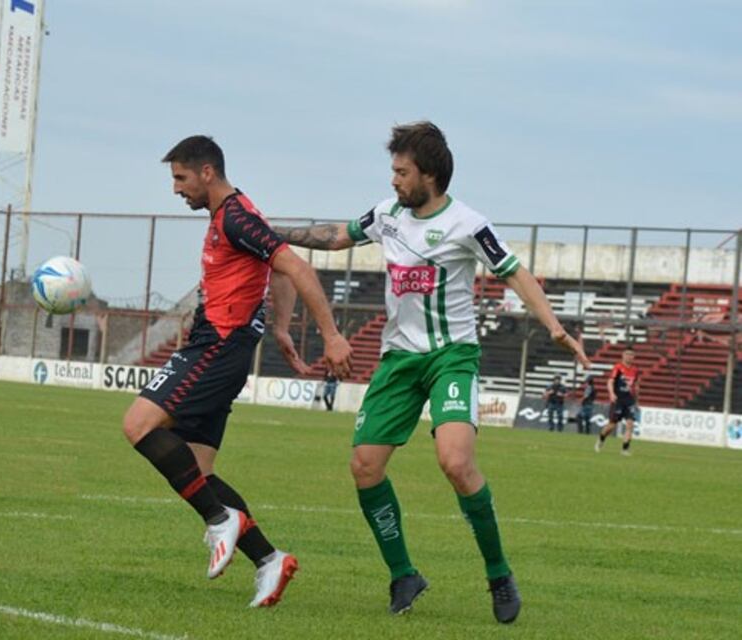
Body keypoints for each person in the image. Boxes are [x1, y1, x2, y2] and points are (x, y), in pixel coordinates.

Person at [271, 121, 590, 623]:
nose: (394, 181)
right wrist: (273, 234)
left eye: (401, 172)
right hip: (398, 360)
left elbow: (515, 271)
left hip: (451, 357)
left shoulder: (467, 224)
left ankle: (499, 574)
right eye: (393, 171)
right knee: (364, 466)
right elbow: (336, 236)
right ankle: (403, 575)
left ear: (430, 175)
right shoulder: (387, 214)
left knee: (456, 463)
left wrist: (552, 326)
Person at [121, 135, 353, 608]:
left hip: (217, 348)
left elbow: (299, 267)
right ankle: (270, 560)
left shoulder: (236, 217)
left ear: (207, 172)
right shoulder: (235, 215)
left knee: (138, 425)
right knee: (199, 471)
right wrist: (282, 328)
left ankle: (218, 520)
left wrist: (330, 334)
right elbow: (280, 270)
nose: (176, 189)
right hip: (225, 349)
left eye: (180, 178)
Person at [595, 348, 640, 456]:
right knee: (612, 425)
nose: (629, 356)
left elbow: (637, 386)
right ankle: (601, 439)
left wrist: (637, 401)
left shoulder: (635, 370)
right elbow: (610, 381)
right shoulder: (618, 367)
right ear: (623, 355)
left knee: (630, 424)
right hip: (618, 399)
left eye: (631, 355)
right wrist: (611, 394)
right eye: (627, 354)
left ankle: (625, 449)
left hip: (629, 400)